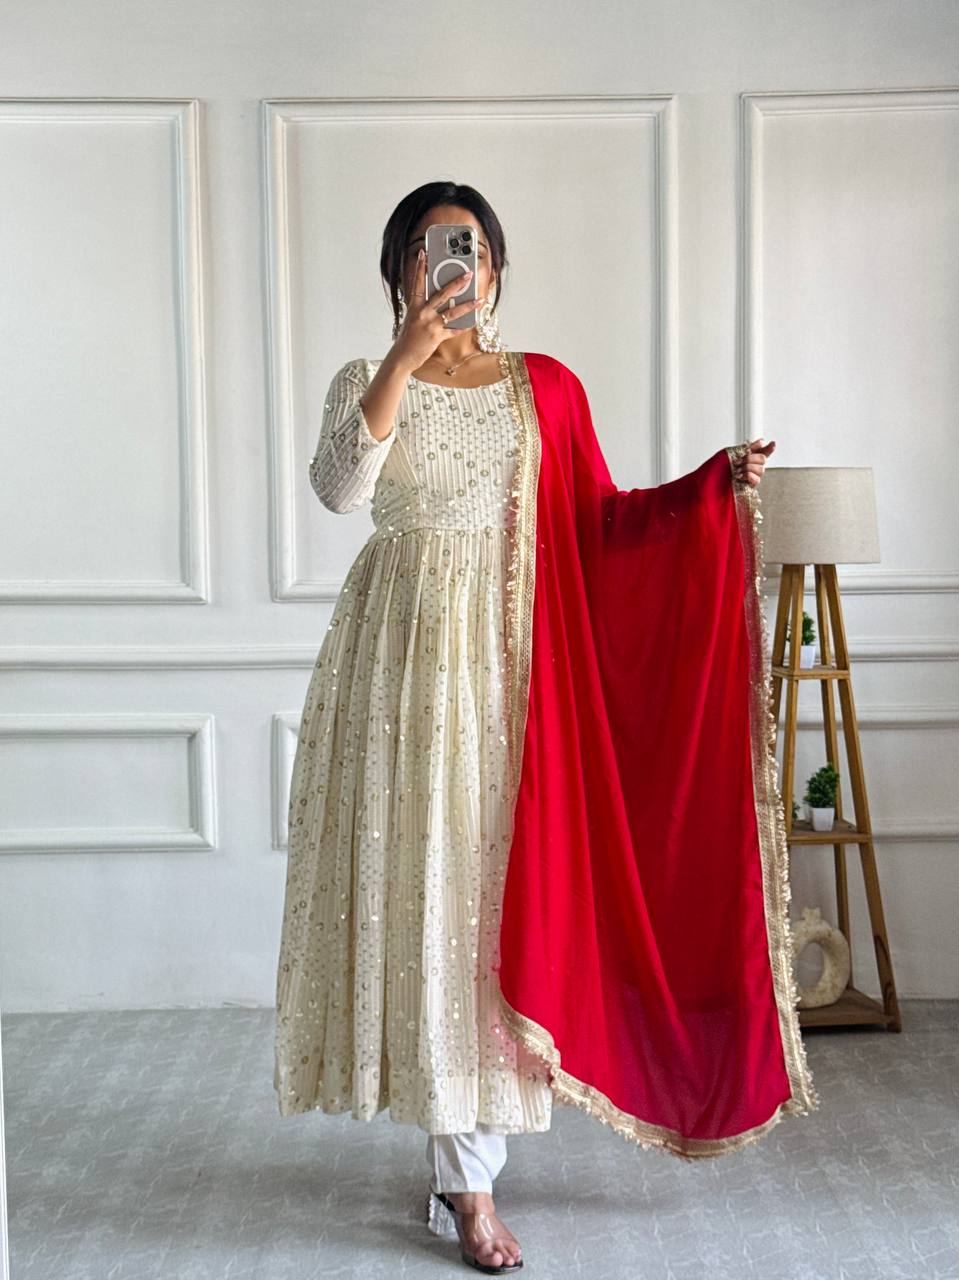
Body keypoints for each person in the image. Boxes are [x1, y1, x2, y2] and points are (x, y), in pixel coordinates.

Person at [274, 181, 815, 1275]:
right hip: (396, 679)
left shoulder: (544, 388)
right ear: (399, 268)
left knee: (489, 915)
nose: (454, 265)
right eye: (431, 249)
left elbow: (600, 525)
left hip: (516, 682)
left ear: (496, 268)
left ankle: (467, 1169)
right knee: (426, 911)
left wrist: (704, 491)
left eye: (471, 248)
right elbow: (337, 488)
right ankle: (464, 1178)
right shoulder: (365, 376)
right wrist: (402, 358)